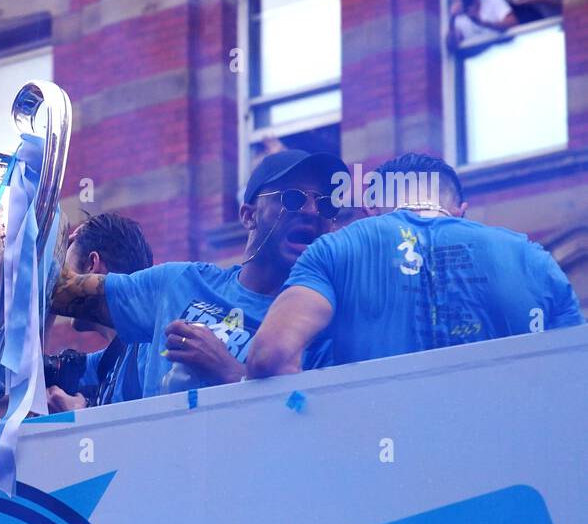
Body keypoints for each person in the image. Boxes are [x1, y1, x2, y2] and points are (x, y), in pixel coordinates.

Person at [246, 153, 584, 377]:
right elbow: (575, 372)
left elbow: (269, 356)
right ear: (461, 210)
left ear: (370, 210)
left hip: (376, 464)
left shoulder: (334, 251)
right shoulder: (534, 260)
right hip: (512, 472)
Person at [49, 148, 348, 396]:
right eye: (292, 198)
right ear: (248, 216)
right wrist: (49, 234)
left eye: (326, 205)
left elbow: (312, 428)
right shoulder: (178, 283)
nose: (312, 211)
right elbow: (59, 292)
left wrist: (230, 373)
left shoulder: (324, 328)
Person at [46, 213, 153, 412]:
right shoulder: (104, 363)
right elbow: (26, 378)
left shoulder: (150, 348)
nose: (57, 279)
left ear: (91, 265)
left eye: (63, 267)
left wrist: (82, 416)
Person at [448, 0, 517, 46]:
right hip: (477, 57)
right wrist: (452, 18)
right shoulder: (457, 18)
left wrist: (483, 23)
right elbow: (452, 44)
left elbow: (512, 23)